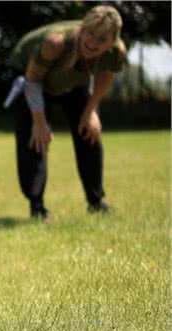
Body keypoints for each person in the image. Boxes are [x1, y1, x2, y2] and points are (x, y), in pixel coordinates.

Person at [7, 5, 126, 221]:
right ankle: (37, 206)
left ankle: (96, 202)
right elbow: (33, 81)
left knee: (89, 132)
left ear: (113, 40)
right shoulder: (56, 43)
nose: (93, 43)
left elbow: (105, 77)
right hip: (33, 78)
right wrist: (40, 122)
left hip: (74, 82)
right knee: (35, 140)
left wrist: (91, 112)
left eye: (102, 40)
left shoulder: (116, 52)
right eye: (89, 34)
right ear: (82, 28)